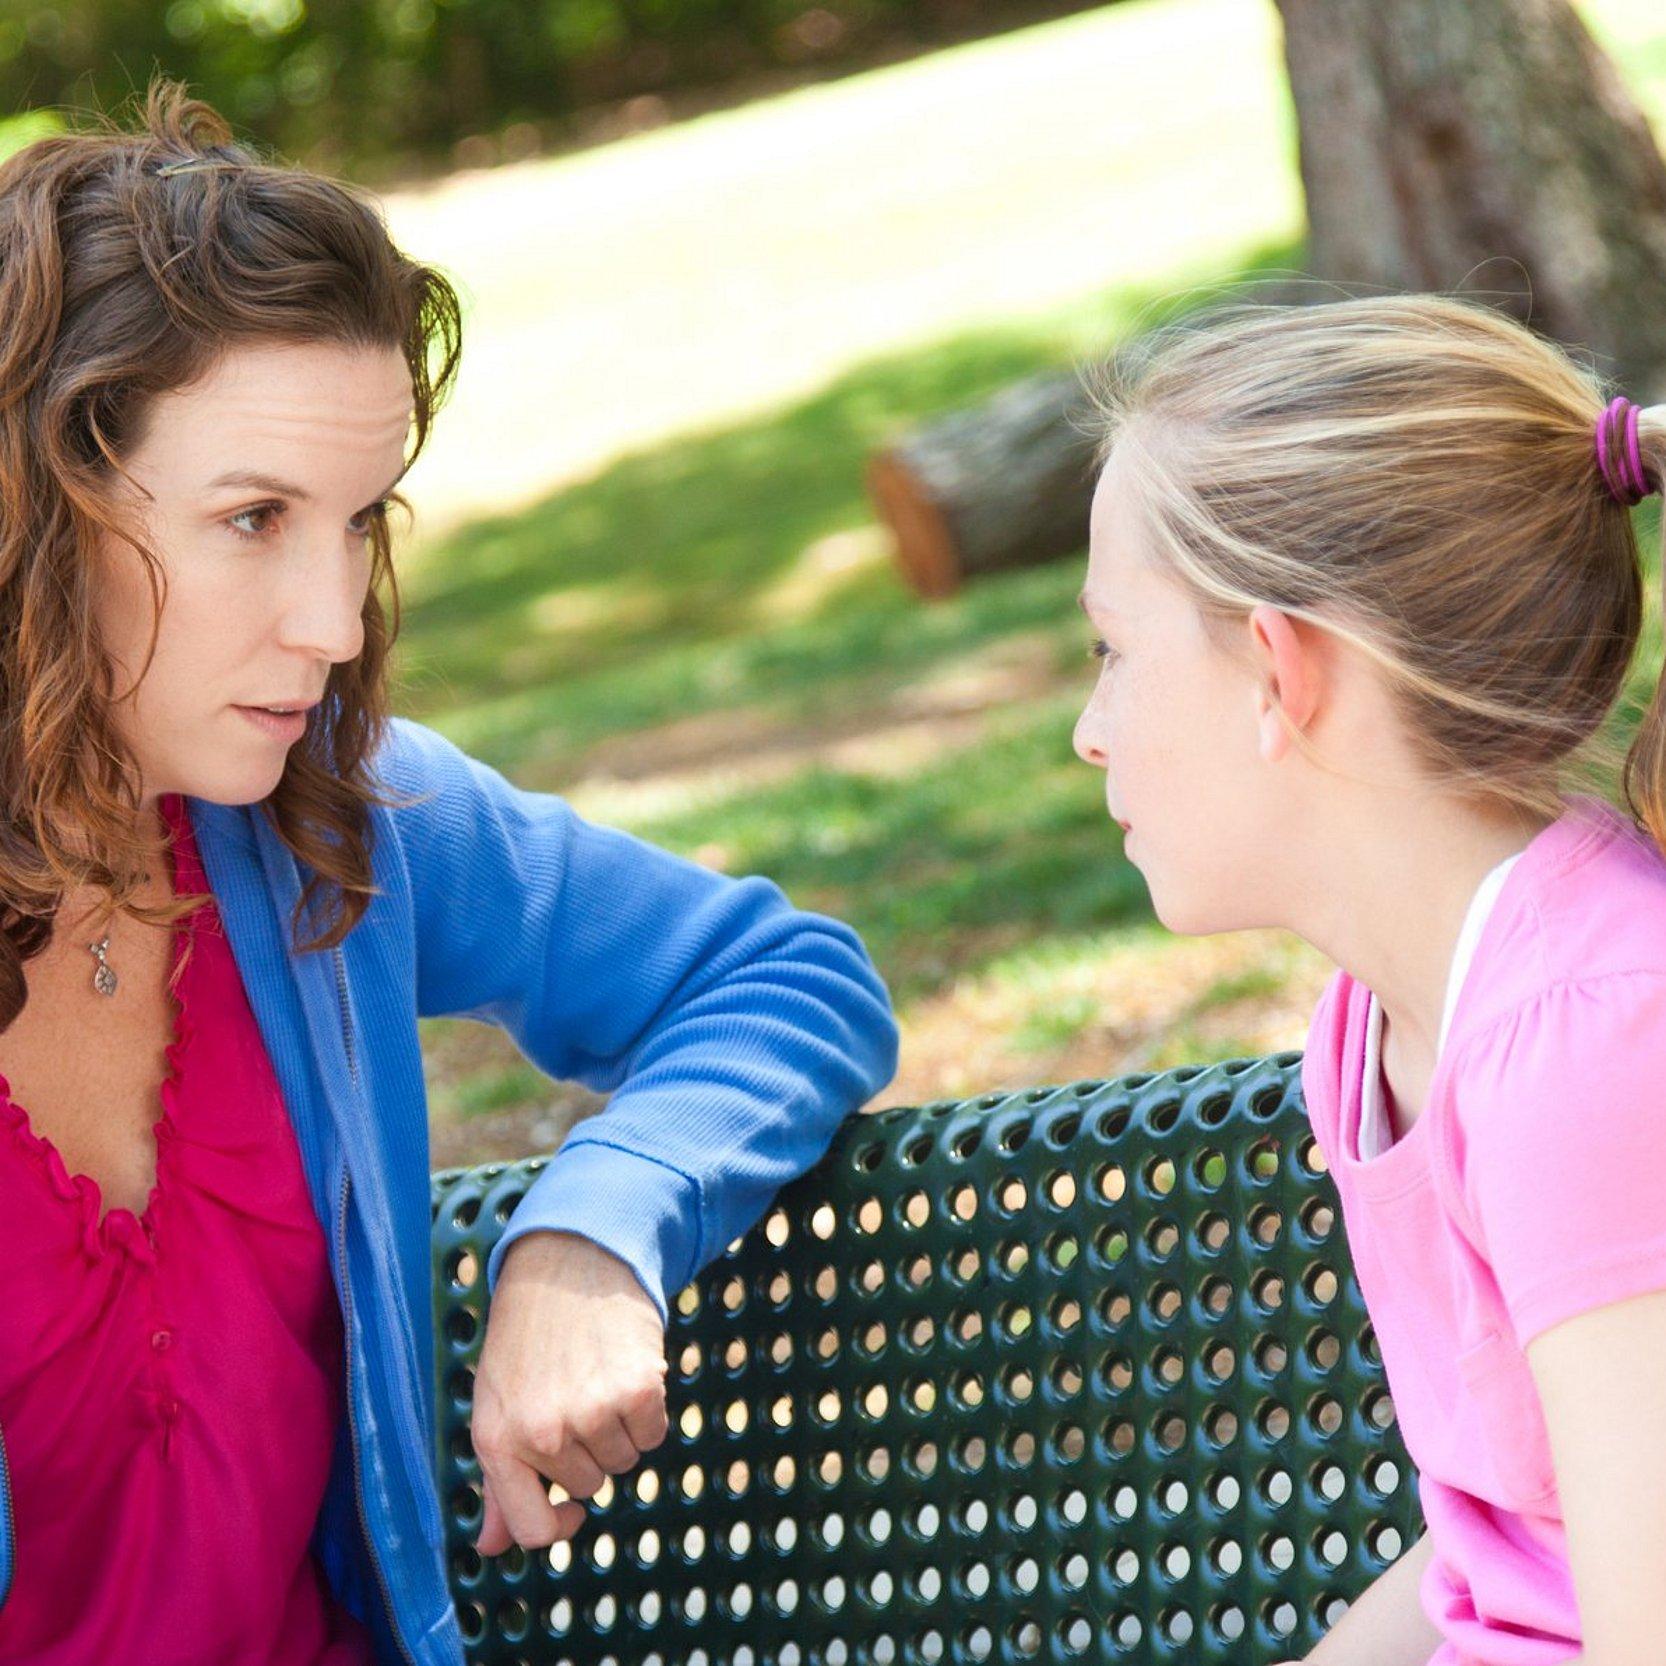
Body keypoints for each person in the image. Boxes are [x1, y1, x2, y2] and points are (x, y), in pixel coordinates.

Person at [0, 80, 899, 1665]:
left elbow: (781, 977)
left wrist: (595, 1225)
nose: (335, 625)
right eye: (253, 517)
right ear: (40, 516)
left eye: (359, 522)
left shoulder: (325, 818)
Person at [1073, 291, 1666, 1665]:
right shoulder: (1381, 1019)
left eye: (1111, 650)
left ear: (1277, 670)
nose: (1089, 733)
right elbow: (1504, 1550)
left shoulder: (1589, 1044)